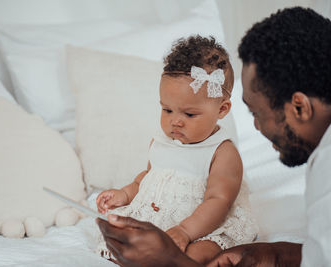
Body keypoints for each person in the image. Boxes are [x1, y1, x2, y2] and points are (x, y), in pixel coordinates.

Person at [96, 6, 331, 267]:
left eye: (256, 113)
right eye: (167, 109)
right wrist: (273, 253)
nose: (256, 127)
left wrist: (172, 261)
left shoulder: (326, 170)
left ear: (300, 107)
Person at [95, 35, 258, 264]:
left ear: (222, 109)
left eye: (189, 114)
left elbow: (218, 201)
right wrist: (123, 194)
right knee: (117, 237)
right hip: (161, 219)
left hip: (203, 226)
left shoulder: (222, 153)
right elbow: (147, 179)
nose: (175, 121)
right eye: (167, 110)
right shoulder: (160, 142)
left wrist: (185, 231)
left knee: (201, 253)